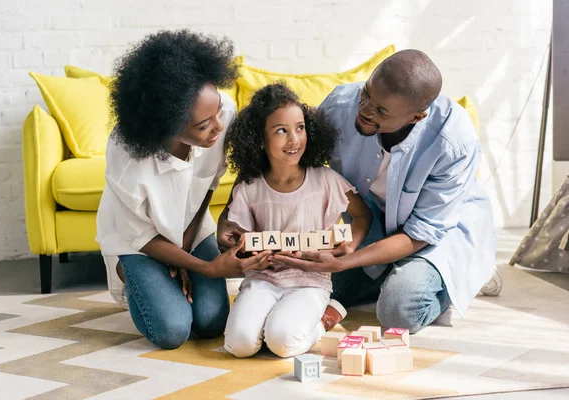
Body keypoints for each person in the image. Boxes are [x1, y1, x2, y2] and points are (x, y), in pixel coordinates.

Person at [218, 49, 497, 334]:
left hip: (436, 236)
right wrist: (228, 213)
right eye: (366, 95)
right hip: (374, 228)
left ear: (416, 116)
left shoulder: (454, 142)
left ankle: (460, 276)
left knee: (398, 312)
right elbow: (282, 152)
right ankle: (386, 274)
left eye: (380, 111)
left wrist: (346, 263)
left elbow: (421, 232)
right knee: (303, 280)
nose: (364, 111)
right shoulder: (341, 105)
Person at [96, 30, 269, 350]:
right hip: (139, 240)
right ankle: (128, 273)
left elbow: (206, 188)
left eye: (218, 113)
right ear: (168, 126)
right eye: (204, 125)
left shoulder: (220, 111)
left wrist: (186, 253)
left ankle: (164, 278)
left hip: (191, 227)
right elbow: (142, 236)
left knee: (211, 323)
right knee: (172, 331)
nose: (219, 126)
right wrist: (206, 267)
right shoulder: (128, 158)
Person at [222, 83, 372, 358]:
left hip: (310, 282)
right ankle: (273, 321)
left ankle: (326, 318)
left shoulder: (326, 180)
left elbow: (363, 214)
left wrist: (350, 246)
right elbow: (241, 241)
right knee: (239, 346)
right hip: (263, 279)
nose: (294, 139)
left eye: (300, 128)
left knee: (282, 344)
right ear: (260, 138)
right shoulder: (249, 187)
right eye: (281, 130)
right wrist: (243, 249)